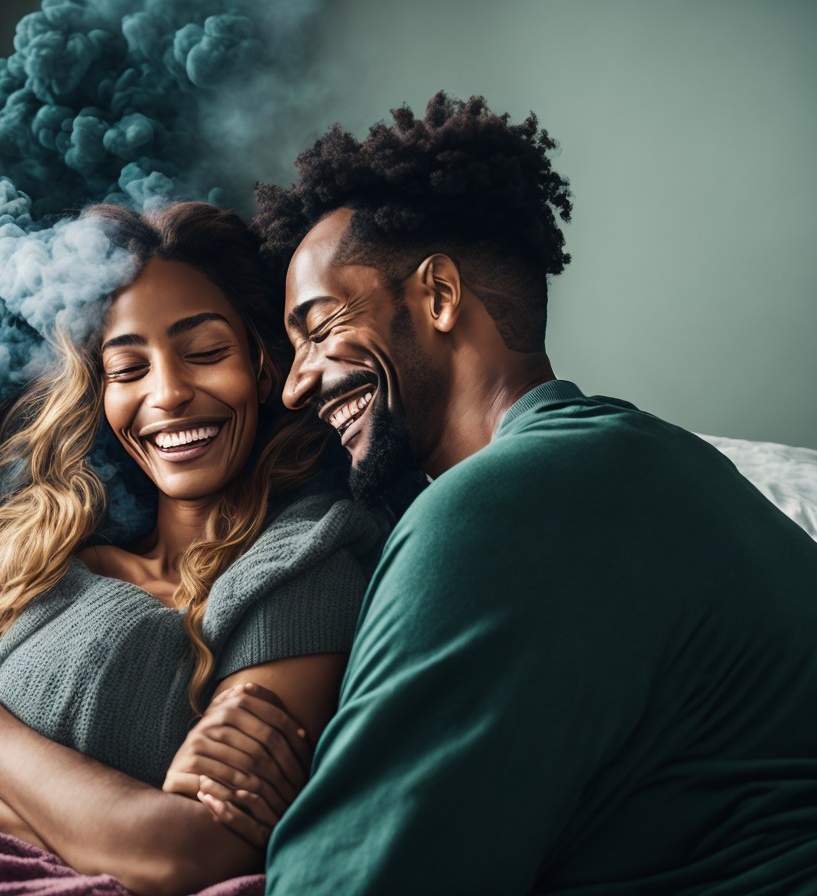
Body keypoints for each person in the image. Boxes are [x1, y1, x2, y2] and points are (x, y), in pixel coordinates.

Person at [244, 94, 817, 893]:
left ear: (439, 295)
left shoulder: (486, 512)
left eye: (320, 324)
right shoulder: (676, 464)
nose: (298, 384)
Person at [0, 202, 387, 895]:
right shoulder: (58, 556)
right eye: (128, 369)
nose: (168, 393)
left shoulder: (304, 564)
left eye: (205, 353)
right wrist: (71, 829)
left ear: (260, 364)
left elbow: (183, 856)